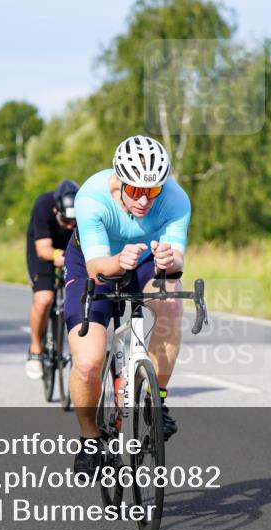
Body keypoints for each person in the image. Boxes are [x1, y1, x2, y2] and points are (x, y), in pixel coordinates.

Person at [63, 136, 190, 476]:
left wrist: (168, 261)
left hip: (145, 258)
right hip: (96, 261)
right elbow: (97, 268)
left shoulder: (176, 199)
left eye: (154, 191)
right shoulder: (91, 198)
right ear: (118, 180)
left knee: (172, 304)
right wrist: (118, 261)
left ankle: (156, 400)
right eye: (136, 191)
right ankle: (89, 437)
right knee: (89, 361)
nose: (145, 201)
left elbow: (177, 260)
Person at [24, 179, 78, 378]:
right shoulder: (43, 206)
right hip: (44, 248)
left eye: (74, 223)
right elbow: (43, 249)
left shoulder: (86, 207)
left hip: (73, 250)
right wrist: (57, 256)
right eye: (65, 222)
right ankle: (36, 349)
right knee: (44, 299)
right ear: (56, 211)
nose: (69, 226)